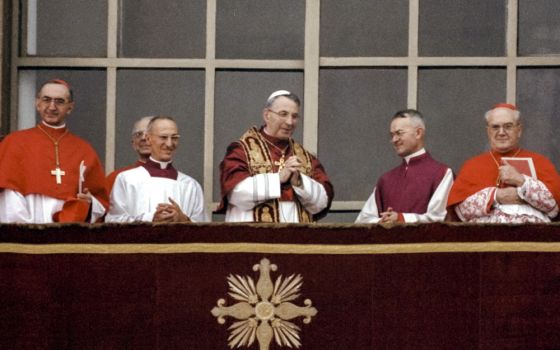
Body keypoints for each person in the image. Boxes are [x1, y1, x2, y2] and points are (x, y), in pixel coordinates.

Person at [0, 79, 108, 223]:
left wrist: (90, 203)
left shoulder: (84, 149)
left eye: (59, 101)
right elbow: (9, 197)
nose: (52, 107)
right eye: (46, 100)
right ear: (37, 103)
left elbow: (100, 202)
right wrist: (25, 231)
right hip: (25, 231)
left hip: (69, 236)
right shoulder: (14, 142)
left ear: (70, 107)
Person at [217, 90, 334, 222]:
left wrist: (300, 183)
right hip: (253, 239)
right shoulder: (242, 151)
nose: (290, 122)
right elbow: (235, 194)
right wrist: (278, 179)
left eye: (294, 116)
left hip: (296, 239)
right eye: (283, 114)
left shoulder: (306, 158)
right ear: (267, 115)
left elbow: (322, 203)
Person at [447, 103, 560, 223]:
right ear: (488, 131)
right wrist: (496, 196)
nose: (501, 132)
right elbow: (461, 212)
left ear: (519, 130)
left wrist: (522, 181)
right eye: (495, 127)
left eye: (508, 126)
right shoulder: (472, 166)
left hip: (531, 237)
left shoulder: (540, 162)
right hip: (485, 237)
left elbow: (553, 208)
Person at [356, 109, 454, 224]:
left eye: (399, 133)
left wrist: (401, 218)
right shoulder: (386, 180)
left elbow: (439, 218)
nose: (394, 140)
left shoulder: (441, 173)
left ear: (418, 133)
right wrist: (382, 221)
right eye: (392, 135)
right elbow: (362, 221)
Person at [106, 116, 208, 223]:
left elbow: (204, 230)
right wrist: (150, 219)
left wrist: (183, 219)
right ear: (149, 139)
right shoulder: (126, 179)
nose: (169, 144)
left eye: (174, 138)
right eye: (163, 137)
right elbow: (113, 222)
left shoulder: (191, 185)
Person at [105, 116, 153, 194]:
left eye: (149, 133)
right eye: (139, 134)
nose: (143, 138)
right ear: (133, 143)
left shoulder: (174, 178)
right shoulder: (116, 177)